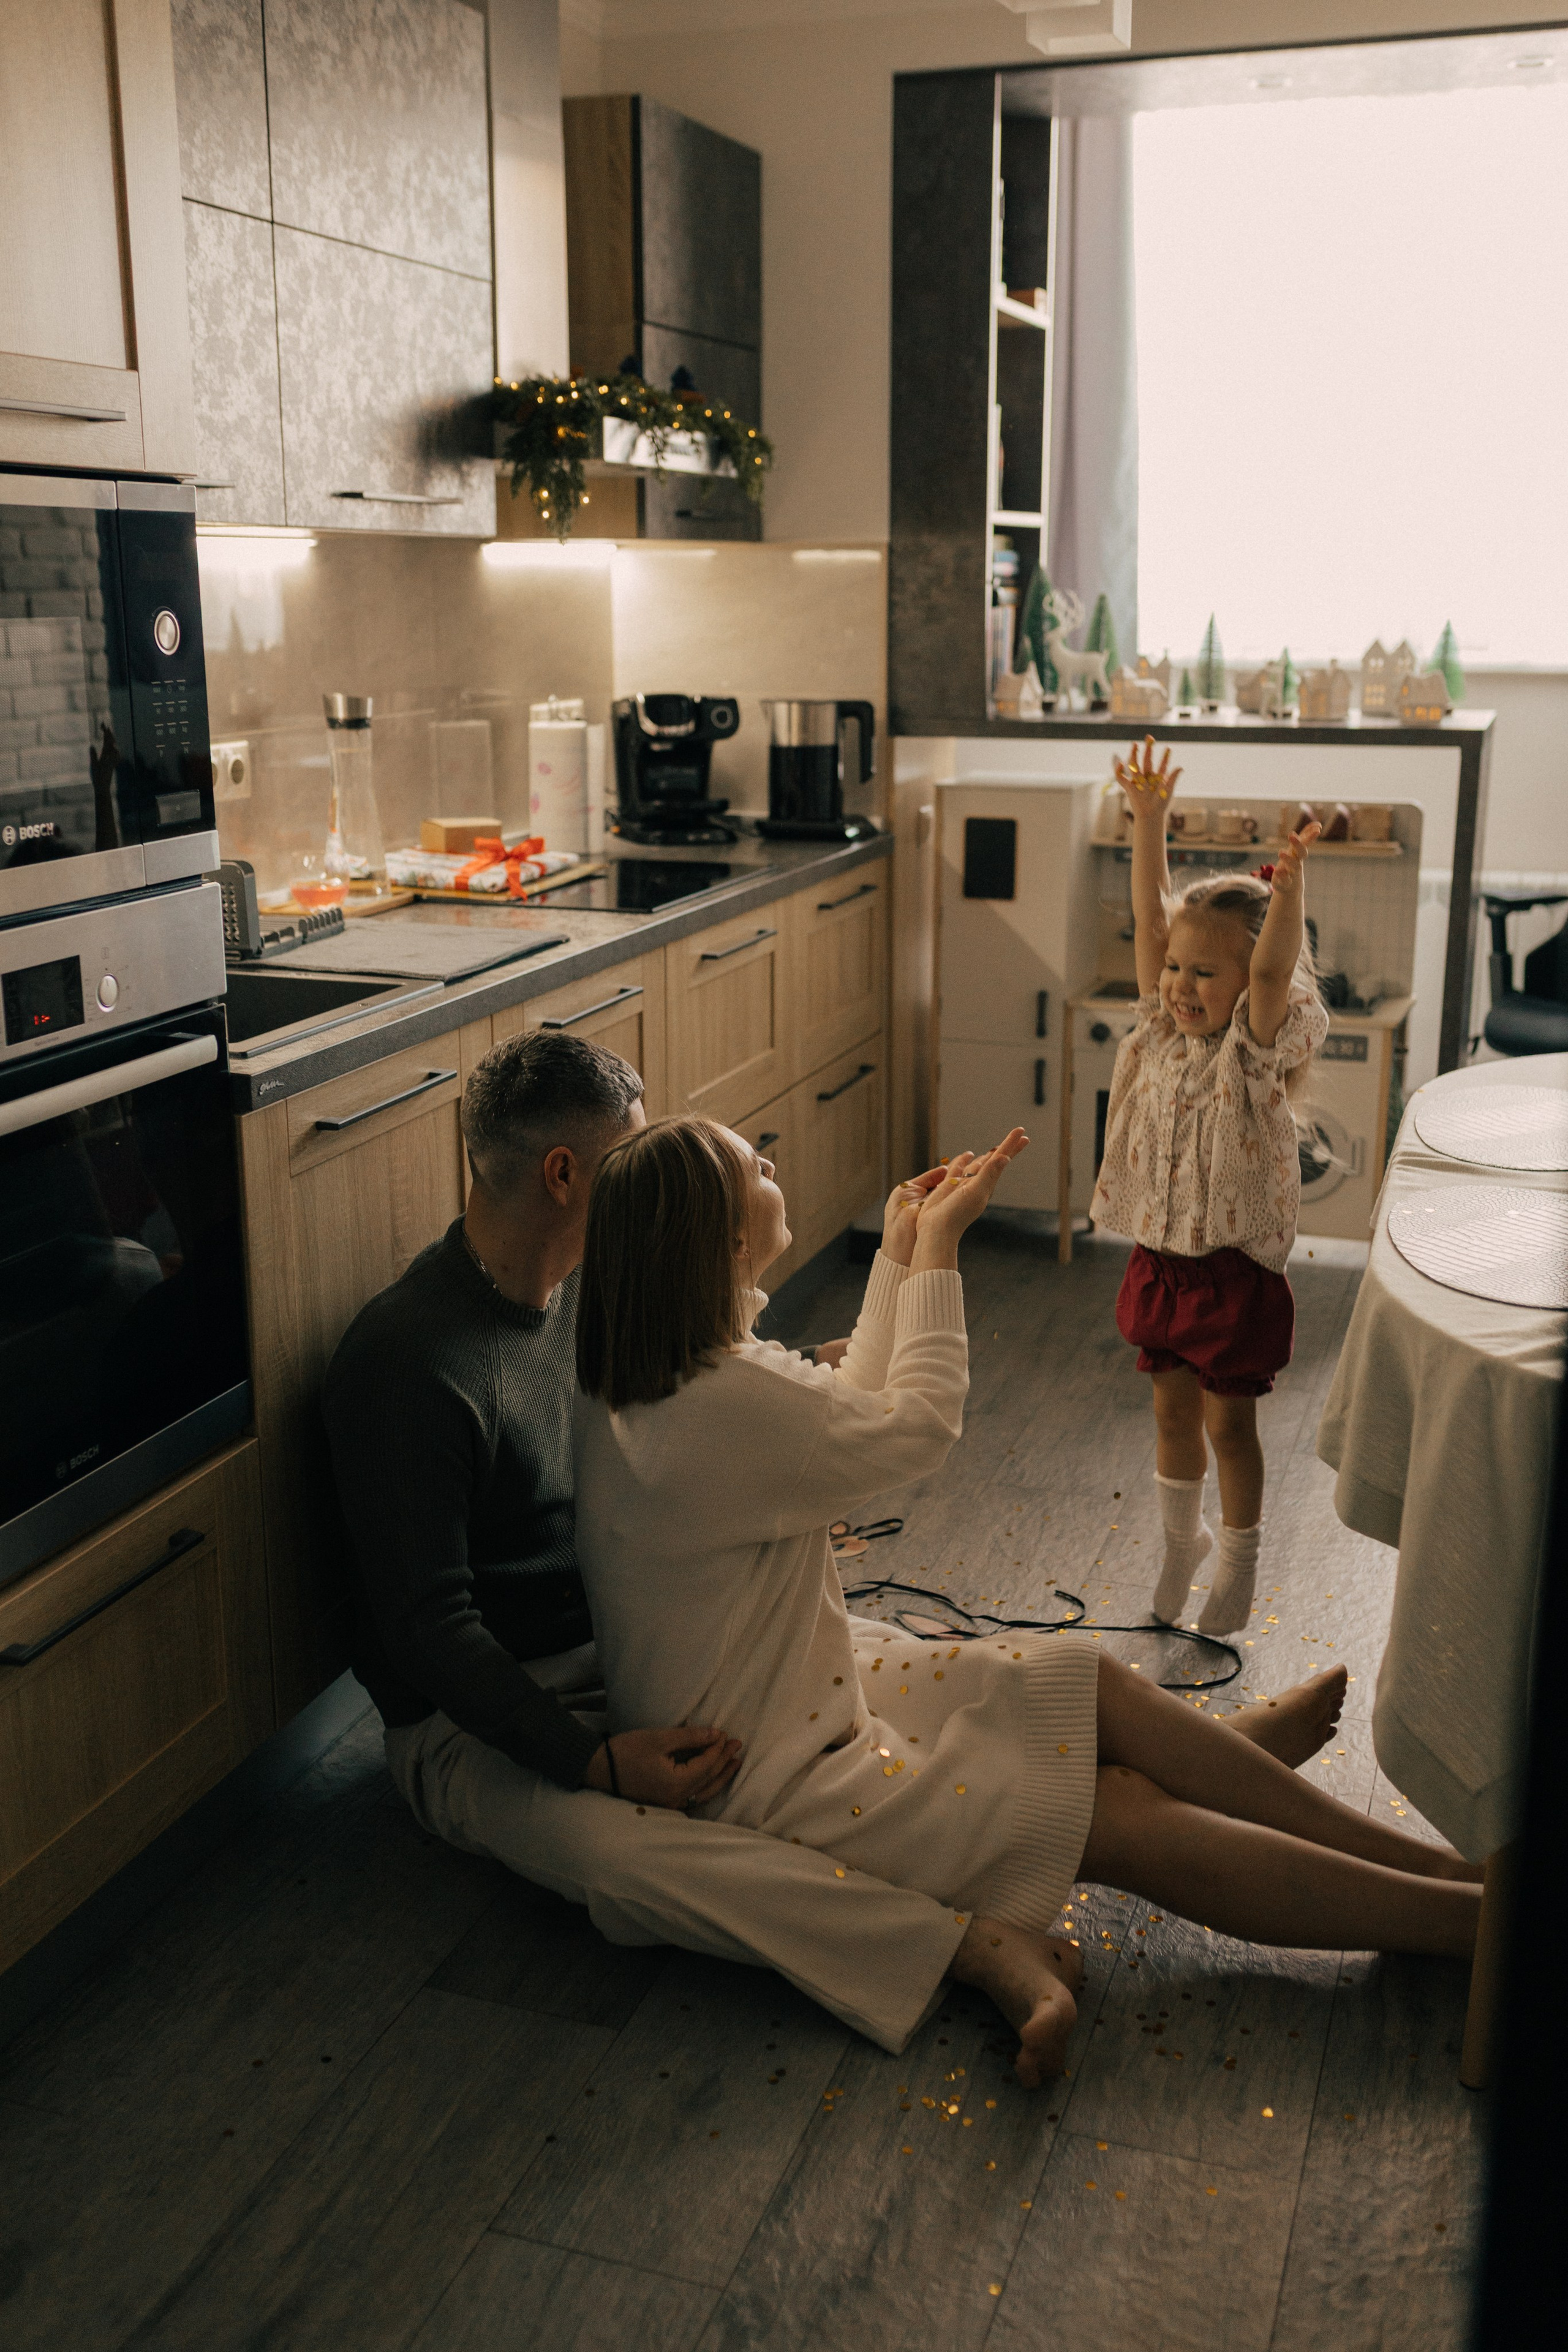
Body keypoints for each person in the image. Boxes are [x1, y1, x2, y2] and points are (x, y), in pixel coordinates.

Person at [571, 1114, 1483, 2084]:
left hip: (792, 1704)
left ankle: (1430, 1869)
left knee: (1079, 1679)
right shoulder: (723, 1407)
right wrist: (940, 1257)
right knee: (1112, 1816)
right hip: (776, 1780)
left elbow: (845, 1414)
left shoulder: (657, 1382)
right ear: (723, 1242)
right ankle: (1467, 1922)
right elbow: (913, 1427)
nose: (773, 1158)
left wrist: (904, 1252)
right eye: (752, 1164)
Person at [325, 1030, 1072, 2061]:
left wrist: (802, 1384)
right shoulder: (410, 1363)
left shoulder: (588, 1292)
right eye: (638, 1153)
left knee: (896, 1660)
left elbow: (681, 1410)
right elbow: (429, 1632)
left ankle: (1131, 1754)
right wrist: (591, 1760)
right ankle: (967, 1948)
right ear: (565, 1175)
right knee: (633, 1857)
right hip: (477, 1726)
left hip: (633, 1640)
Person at [1091, 737, 1329, 1635]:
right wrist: (1148, 822)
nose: (1180, 984)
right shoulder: (1158, 1029)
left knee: (1232, 1430)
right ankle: (1178, 1542)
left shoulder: (1251, 1053)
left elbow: (1271, 968)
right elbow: (1155, 923)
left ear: (1245, 985)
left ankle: (1239, 1562)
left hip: (1232, 1276)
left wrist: (1292, 895)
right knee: (1169, 1417)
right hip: (1163, 1261)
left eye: (1204, 972)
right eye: (1177, 970)